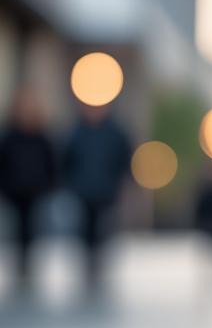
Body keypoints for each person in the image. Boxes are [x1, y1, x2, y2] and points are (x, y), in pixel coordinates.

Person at [62, 103, 132, 285]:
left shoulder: (114, 132)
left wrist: (123, 183)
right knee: (85, 227)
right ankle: (88, 261)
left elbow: (124, 158)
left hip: (106, 190)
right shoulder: (78, 131)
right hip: (83, 190)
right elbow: (67, 159)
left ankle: (99, 260)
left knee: (104, 227)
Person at [0, 87, 57, 286]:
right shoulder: (9, 137)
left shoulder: (42, 137)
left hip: (36, 191)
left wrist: (49, 185)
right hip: (14, 191)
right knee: (16, 230)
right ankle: (19, 264)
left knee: (34, 229)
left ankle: (30, 264)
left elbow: (51, 163)